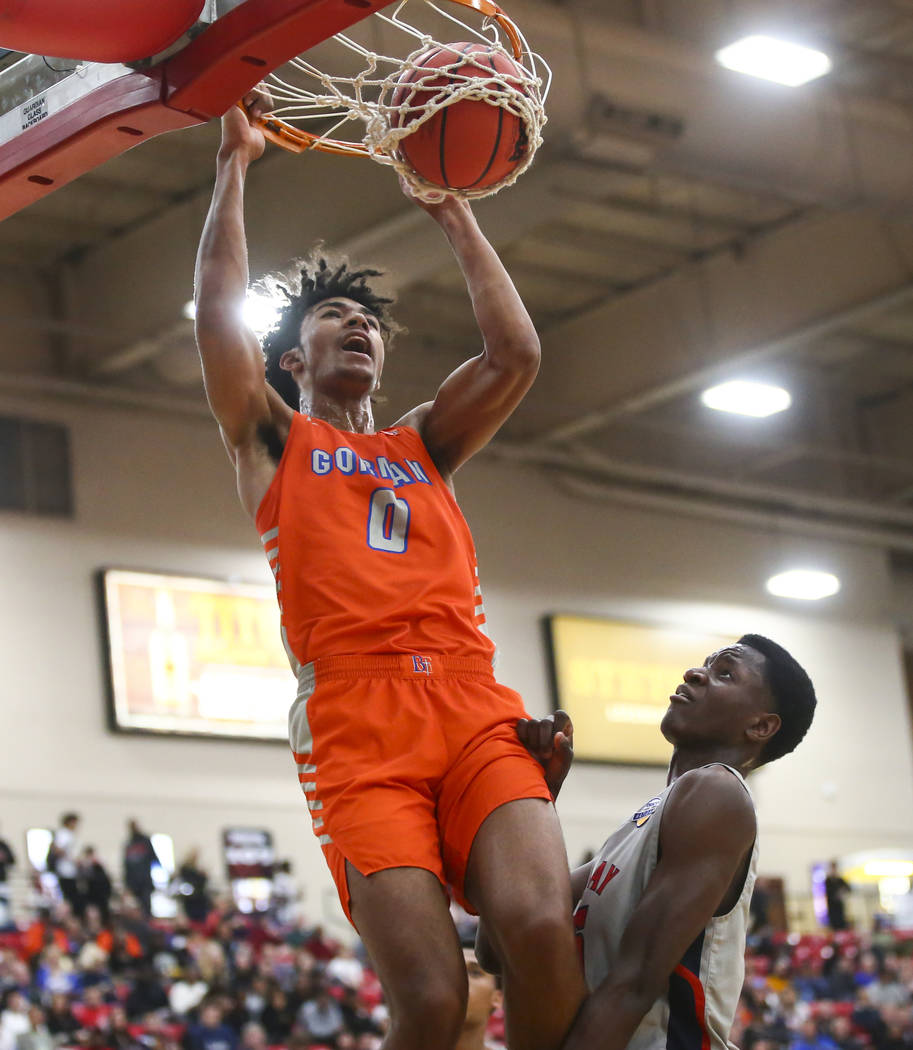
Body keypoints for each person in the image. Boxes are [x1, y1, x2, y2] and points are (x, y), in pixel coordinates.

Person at [192, 95, 585, 1050]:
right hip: (356, 721)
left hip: (470, 701)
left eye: (370, 320)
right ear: (294, 356)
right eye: (335, 315)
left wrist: (450, 208)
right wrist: (234, 166)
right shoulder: (274, 439)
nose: (358, 326)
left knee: (540, 932)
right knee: (432, 1002)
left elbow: (515, 353)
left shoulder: (424, 446)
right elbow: (214, 311)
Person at [488, 634, 817, 1050]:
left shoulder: (718, 794)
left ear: (760, 726)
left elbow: (634, 984)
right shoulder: (642, 825)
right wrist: (534, 795)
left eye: (725, 673)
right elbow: (500, 943)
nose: (694, 673)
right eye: (705, 664)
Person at [123, 820, 160, 917]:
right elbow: (126, 866)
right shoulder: (129, 844)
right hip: (134, 883)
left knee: (146, 906)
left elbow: (154, 858)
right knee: (136, 908)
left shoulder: (145, 841)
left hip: (145, 881)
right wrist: (127, 884)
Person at [48, 814, 82, 918]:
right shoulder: (64, 834)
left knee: (72, 896)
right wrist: (70, 858)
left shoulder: (68, 834)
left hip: (70, 870)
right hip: (66, 870)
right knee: (70, 896)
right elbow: (56, 848)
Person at [824, 861, 851, 932]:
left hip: (839, 906)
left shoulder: (840, 879)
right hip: (832, 906)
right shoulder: (828, 880)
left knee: (841, 922)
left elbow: (848, 889)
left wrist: (842, 893)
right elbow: (827, 892)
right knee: (834, 923)